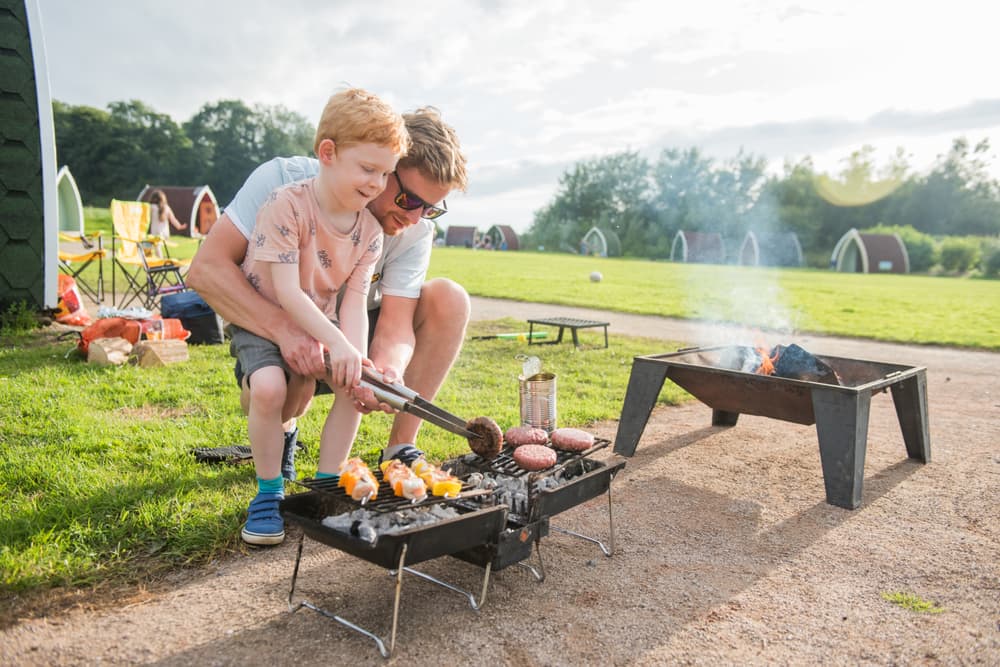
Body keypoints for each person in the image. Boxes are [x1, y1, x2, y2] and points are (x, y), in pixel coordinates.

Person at [186, 106, 469, 544]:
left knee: (450, 297)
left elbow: (393, 324)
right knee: (281, 394)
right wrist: (284, 331)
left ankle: (398, 452)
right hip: (275, 317)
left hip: (347, 332)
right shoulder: (283, 184)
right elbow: (205, 270)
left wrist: (384, 370)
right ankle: (280, 443)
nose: (414, 218)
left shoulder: (404, 231)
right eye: (409, 200)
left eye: (430, 209)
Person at [225, 88, 409, 545]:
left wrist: (355, 357)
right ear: (327, 153)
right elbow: (286, 292)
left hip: (323, 325)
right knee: (270, 388)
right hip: (266, 321)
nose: (376, 184)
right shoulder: (286, 205)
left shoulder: (370, 231)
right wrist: (341, 344)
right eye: (367, 169)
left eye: (386, 174)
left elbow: (353, 302)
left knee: (356, 385)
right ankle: (269, 494)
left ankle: (327, 487)